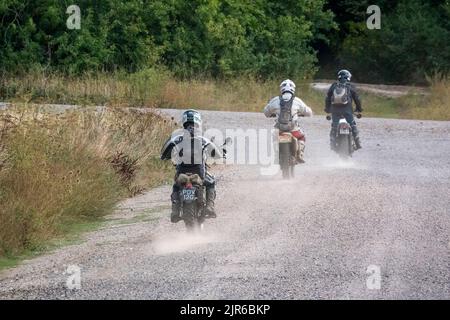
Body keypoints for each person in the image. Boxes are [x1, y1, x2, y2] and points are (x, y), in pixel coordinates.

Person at [160, 109, 223, 223]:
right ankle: (209, 207)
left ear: (183, 123)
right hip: (200, 173)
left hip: (181, 173)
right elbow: (217, 155)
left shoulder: (176, 139)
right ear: (198, 123)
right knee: (211, 182)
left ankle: (175, 211)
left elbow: (164, 154)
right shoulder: (203, 140)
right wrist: (219, 154)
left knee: (176, 186)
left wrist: (166, 157)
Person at [264, 79, 313, 163]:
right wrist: (304, 113)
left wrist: (271, 113)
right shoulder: (297, 100)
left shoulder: (275, 100)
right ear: (293, 89)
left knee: (273, 137)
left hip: (280, 129)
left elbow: (266, 112)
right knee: (302, 137)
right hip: (293, 129)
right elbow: (308, 112)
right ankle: (300, 154)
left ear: (281, 89)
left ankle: (276, 153)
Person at [325, 69, 363, 150]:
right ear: (348, 78)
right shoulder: (350, 86)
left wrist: (327, 110)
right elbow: (357, 99)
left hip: (335, 110)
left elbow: (327, 98)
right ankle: (357, 142)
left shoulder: (334, 85)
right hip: (347, 110)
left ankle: (332, 143)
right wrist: (359, 109)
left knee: (334, 126)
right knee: (352, 124)